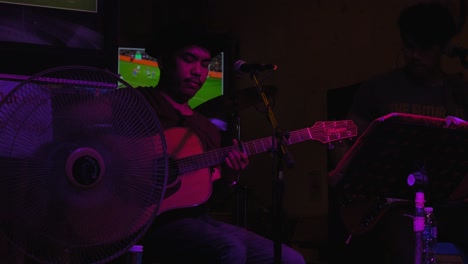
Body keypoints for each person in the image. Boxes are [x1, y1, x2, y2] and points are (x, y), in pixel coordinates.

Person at [127, 22, 306, 264]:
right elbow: (81, 130)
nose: (197, 71)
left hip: (197, 220)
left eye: (204, 64)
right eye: (188, 59)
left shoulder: (207, 130)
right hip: (142, 220)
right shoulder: (137, 102)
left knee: (289, 259)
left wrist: (230, 175)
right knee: (229, 249)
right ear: (164, 61)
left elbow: (209, 195)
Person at [328, 2, 468, 264]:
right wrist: (346, 177)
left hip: (449, 207)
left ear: (442, 48)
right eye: (408, 46)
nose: (414, 55)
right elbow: (340, 137)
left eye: (423, 48)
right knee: (407, 246)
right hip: (392, 208)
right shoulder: (379, 89)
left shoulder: (458, 93)